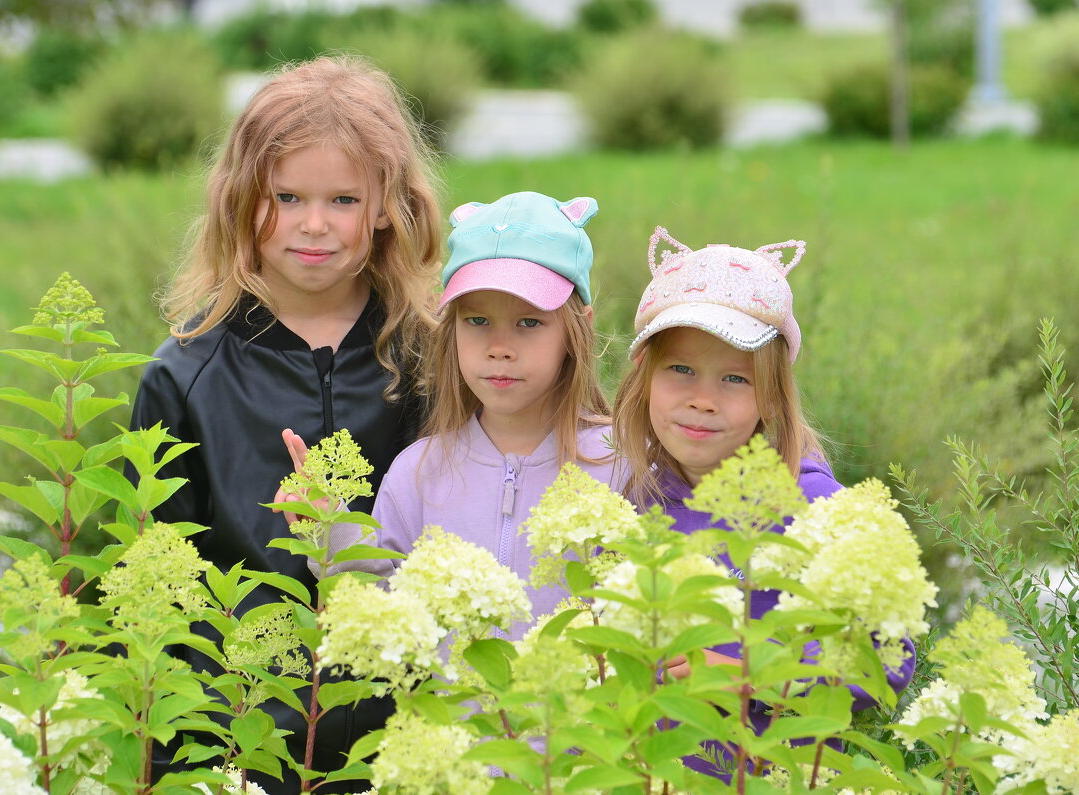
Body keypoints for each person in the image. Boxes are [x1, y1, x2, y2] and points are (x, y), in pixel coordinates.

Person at [128, 55, 442, 793]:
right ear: (241, 199)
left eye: (342, 198)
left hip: (401, 738)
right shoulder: (182, 378)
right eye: (287, 195)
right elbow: (158, 600)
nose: (313, 224)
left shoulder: (431, 359)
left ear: (387, 206)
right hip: (240, 743)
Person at [612, 227, 914, 780]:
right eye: (680, 369)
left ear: (772, 397)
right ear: (644, 380)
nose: (703, 399)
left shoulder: (817, 505)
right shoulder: (637, 502)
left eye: (735, 378)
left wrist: (755, 674)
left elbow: (890, 656)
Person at [286, 191, 620, 637]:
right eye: (476, 321)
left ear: (578, 327)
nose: (499, 348)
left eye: (529, 322)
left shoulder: (622, 463)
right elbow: (386, 621)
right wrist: (332, 532)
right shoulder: (419, 473)